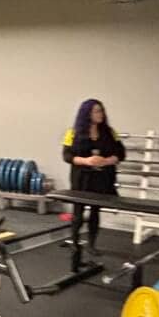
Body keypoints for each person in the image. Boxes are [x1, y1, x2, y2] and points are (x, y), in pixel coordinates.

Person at [61, 99, 125, 250]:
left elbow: (121, 154)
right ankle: (75, 243)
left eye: (101, 110)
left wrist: (107, 161)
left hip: (101, 179)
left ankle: (92, 245)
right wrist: (86, 161)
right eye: (97, 111)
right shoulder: (72, 133)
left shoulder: (110, 132)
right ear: (87, 113)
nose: (100, 114)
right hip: (81, 179)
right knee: (78, 212)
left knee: (95, 212)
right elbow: (67, 156)